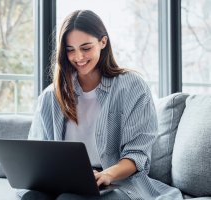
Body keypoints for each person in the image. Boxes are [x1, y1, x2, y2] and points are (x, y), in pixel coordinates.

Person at [20, 10, 183, 200]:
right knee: (31, 197)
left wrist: (107, 174)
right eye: (70, 49)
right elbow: (38, 153)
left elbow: (138, 155)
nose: (78, 57)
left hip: (117, 182)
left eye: (86, 48)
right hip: (66, 181)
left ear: (103, 42)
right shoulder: (52, 95)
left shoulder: (132, 86)